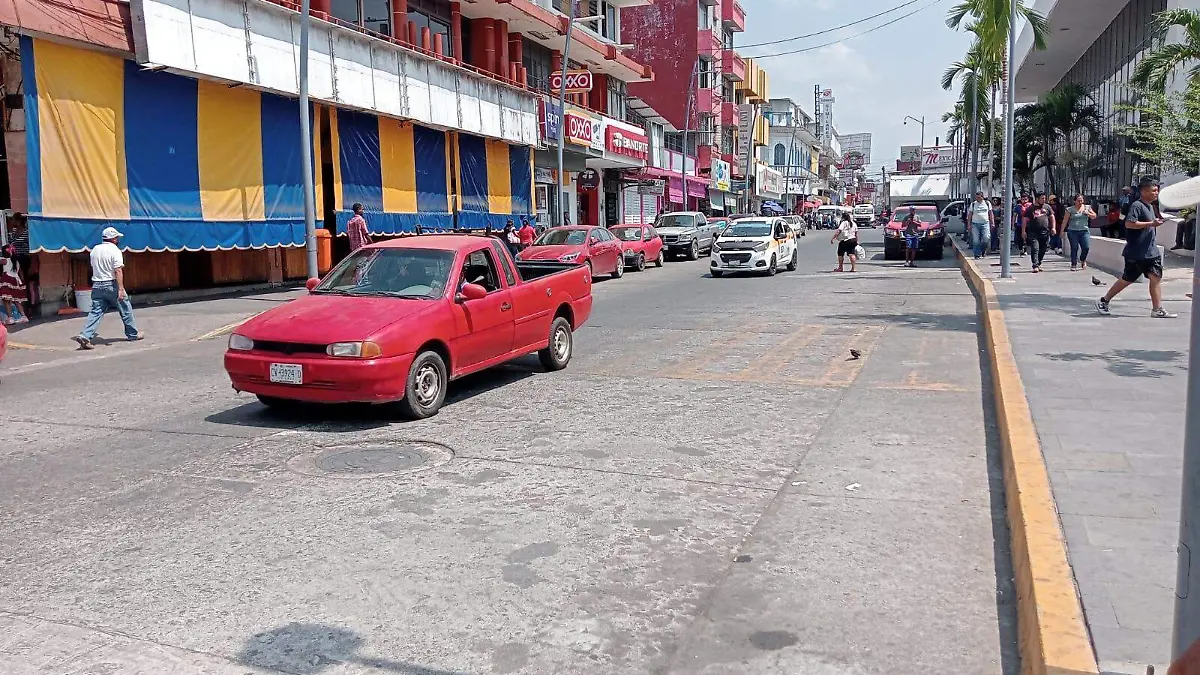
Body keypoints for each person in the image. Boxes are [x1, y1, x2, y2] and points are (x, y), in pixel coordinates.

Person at [1096, 178, 1176, 318]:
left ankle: (1157, 309)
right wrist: (1151, 223)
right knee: (1127, 279)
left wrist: (1156, 222)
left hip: (1151, 252)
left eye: (1157, 190)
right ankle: (1104, 300)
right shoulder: (1137, 206)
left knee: (1155, 277)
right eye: (1154, 190)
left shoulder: (1151, 206)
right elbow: (1129, 224)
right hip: (1136, 252)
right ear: (1144, 191)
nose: (1157, 192)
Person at [71, 227, 144, 349]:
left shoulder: (95, 250)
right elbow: (118, 270)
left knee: (96, 312)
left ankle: (85, 335)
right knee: (125, 309)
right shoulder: (115, 250)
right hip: (111, 284)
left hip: (97, 284)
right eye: (117, 238)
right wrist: (120, 288)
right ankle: (132, 334)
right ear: (114, 239)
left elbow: (93, 266)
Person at [1023, 193, 1055, 273]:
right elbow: (1025, 219)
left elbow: (1052, 217)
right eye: (1042, 198)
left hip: (1045, 231)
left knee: (1043, 249)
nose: (1044, 200)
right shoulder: (1030, 208)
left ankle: (1039, 262)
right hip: (1033, 232)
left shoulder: (1047, 207)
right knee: (1035, 248)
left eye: (1044, 198)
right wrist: (1023, 231)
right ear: (1037, 198)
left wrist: (1053, 227)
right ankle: (1035, 265)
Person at [1064, 195, 1095, 271]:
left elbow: (1094, 216)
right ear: (1075, 201)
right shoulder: (1070, 209)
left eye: (1081, 200)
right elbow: (1065, 221)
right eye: (1078, 200)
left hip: (1084, 231)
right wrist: (1062, 231)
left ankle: (1082, 259)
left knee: (1086, 247)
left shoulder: (1087, 208)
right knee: (1074, 247)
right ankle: (1073, 264)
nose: (1080, 202)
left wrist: (1088, 213)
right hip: (1072, 231)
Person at [0, 244, 28, 324]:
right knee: (16, 300)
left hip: (7, 280)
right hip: (16, 281)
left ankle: (10, 318)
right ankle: (23, 316)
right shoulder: (16, 262)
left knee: (6, 300)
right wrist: (21, 284)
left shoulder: (5, 260)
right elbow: (21, 274)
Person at [968, 192, 993, 259]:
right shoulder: (973, 204)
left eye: (979, 197)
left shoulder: (987, 203)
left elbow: (990, 213)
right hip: (975, 224)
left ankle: (983, 250)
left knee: (986, 238)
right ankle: (977, 254)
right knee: (976, 240)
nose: (977, 199)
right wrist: (969, 224)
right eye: (976, 197)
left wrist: (992, 222)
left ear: (982, 197)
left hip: (985, 223)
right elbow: (970, 214)